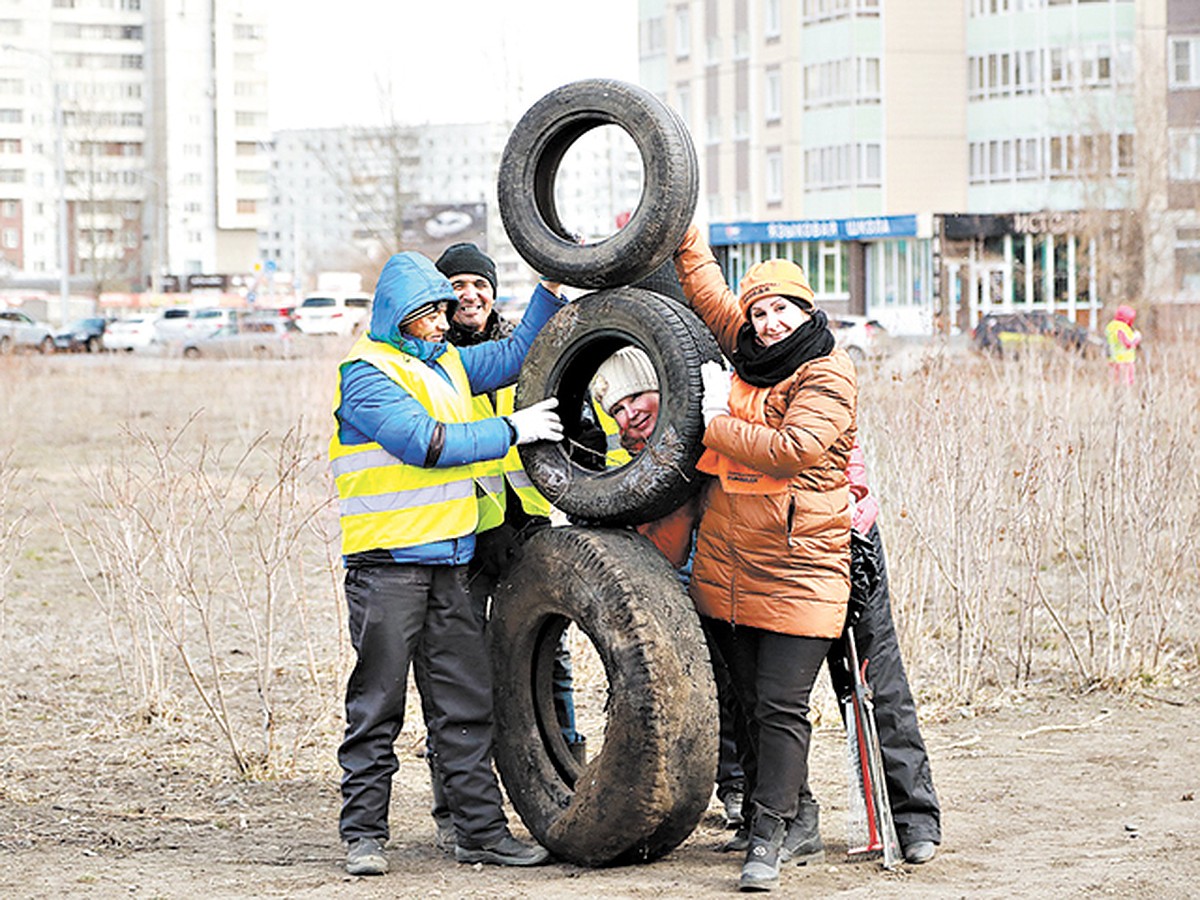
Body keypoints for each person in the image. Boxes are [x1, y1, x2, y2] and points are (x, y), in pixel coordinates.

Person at [594, 348, 941, 866]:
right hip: (758, 569)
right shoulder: (669, 449)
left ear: (663, 385)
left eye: (636, 397)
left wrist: (847, 514)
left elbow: (833, 461)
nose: (629, 415)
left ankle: (912, 818)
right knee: (758, 698)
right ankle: (783, 820)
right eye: (615, 409)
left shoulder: (734, 404)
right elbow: (674, 530)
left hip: (839, 544)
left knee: (872, 682)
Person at [330, 250, 566, 876]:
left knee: (466, 705)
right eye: (430, 313)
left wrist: (549, 282)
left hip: (450, 565)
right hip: (389, 569)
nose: (444, 321)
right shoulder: (367, 373)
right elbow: (426, 443)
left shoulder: (451, 365)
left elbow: (515, 357)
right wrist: (513, 430)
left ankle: (479, 835)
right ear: (400, 316)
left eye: (442, 311)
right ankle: (363, 836)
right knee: (378, 704)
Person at [674, 225, 858, 892]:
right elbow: (706, 285)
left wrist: (716, 419)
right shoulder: (747, 349)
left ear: (807, 310)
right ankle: (794, 813)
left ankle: (769, 836)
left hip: (800, 565)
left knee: (780, 705)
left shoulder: (827, 372)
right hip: (729, 565)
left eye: (782, 307)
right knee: (749, 702)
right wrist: (677, 218)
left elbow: (794, 448)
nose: (769, 321)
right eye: (759, 310)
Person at [417, 242, 582, 856]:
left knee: (549, 659)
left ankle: (568, 779)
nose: (468, 293)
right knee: (453, 675)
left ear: (492, 290)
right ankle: (456, 810)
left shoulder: (527, 347)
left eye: (478, 283)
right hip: (462, 539)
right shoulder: (428, 360)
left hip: (528, 528)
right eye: (455, 283)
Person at [1105, 304, 1141, 386]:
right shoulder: (1122, 328)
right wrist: (1137, 338)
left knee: (1114, 385)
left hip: (1113, 360)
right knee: (1126, 385)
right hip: (1124, 362)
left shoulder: (1111, 327)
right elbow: (1127, 344)